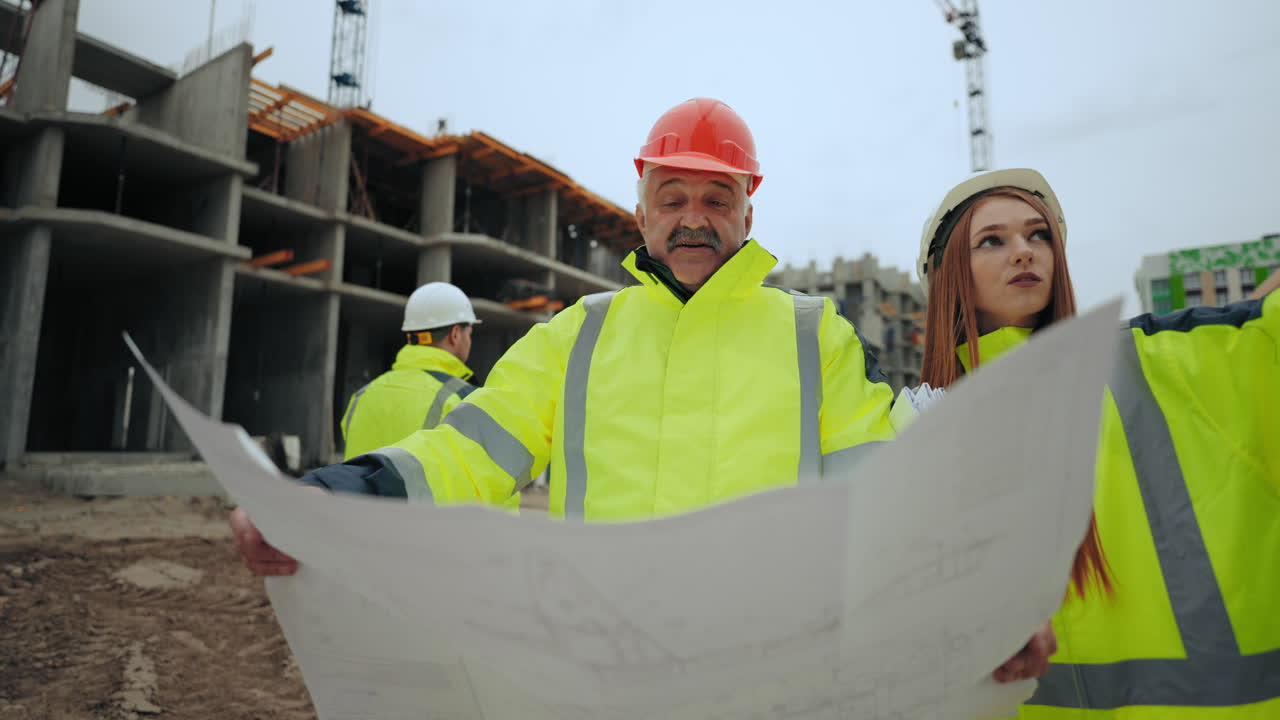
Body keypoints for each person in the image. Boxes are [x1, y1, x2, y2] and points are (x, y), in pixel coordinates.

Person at [230, 99, 1056, 683]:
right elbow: (465, 452)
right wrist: (319, 498)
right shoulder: (579, 334)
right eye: (673, 198)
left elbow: (882, 496)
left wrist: (974, 606)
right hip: (604, 673)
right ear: (641, 209)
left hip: (776, 675)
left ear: (747, 211)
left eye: (714, 197)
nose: (693, 217)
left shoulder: (814, 334)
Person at [916, 168, 1280, 715]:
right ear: (949, 276)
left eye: (1039, 235)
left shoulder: (1163, 361)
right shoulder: (917, 429)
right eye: (992, 240)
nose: (1024, 252)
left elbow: (1264, 329)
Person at [340, 282, 480, 460]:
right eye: (469, 333)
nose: (469, 340)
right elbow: (493, 478)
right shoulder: (462, 400)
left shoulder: (361, 396)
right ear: (455, 334)